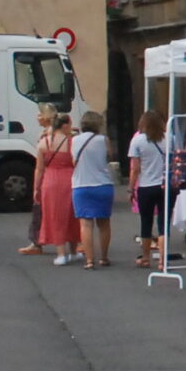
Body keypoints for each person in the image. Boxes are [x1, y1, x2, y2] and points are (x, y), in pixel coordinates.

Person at [70, 110, 117, 269]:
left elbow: (72, 160)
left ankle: (89, 260)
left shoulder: (74, 140)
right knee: (104, 224)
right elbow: (110, 157)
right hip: (103, 185)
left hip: (81, 185)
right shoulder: (104, 140)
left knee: (86, 224)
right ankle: (104, 257)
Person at [128, 110, 169, 267]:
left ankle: (146, 257)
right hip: (164, 185)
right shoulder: (168, 138)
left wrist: (131, 189)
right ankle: (163, 260)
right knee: (163, 223)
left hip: (145, 186)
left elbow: (135, 169)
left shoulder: (137, 141)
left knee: (146, 222)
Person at [38, 113, 80, 265]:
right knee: (73, 216)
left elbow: (39, 169)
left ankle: (61, 254)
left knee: (55, 216)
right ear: (65, 125)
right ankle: (74, 251)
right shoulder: (72, 142)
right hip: (70, 180)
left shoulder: (44, 142)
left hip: (50, 181)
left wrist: (36, 188)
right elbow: (76, 162)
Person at [16, 103, 57, 255]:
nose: (37, 117)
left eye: (40, 114)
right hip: (56, 176)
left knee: (39, 209)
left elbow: (41, 164)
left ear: (47, 117)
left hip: (48, 176)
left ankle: (36, 242)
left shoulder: (47, 135)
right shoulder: (56, 133)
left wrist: (36, 186)